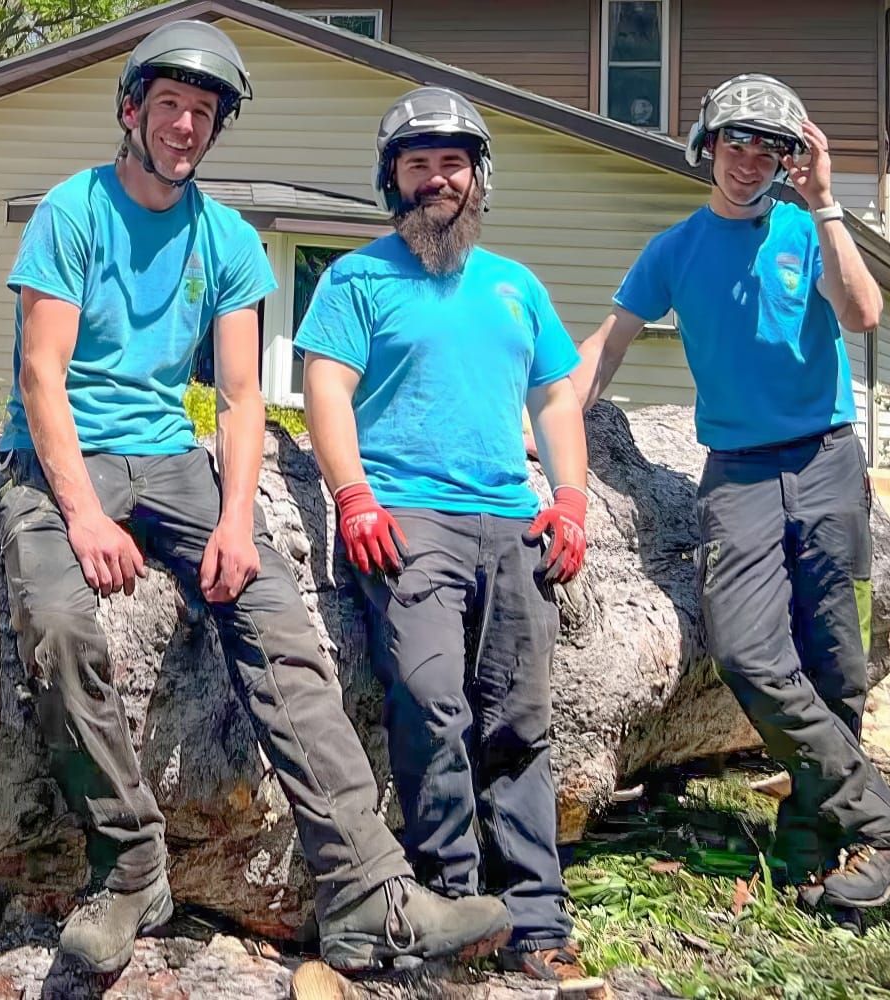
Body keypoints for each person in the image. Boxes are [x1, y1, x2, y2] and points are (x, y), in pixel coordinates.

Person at [0, 23, 510, 975]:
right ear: (132, 110)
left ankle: (368, 895)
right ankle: (127, 864)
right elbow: (41, 376)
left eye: (202, 113)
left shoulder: (227, 239)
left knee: (275, 616)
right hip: (63, 453)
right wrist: (82, 515)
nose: (185, 126)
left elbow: (238, 398)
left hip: (174, 459)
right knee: (62, 624)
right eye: (169, 106)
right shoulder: (73, 212)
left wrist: (235, 521)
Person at [569, 74, 890, 912]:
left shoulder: (807, 232)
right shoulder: (675, 248)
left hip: (826, 460)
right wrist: (553, 420)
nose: (747, 161)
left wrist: (830, 203)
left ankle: (814, 843)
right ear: (708, 146)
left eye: (767, 147)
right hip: (736, 469)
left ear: (787, 159)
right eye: (734, 142)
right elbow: (609, 341)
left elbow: (867, 310)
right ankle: (888, 829)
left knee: (837, 663)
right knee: (745, 650)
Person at [297, 87, 594, 984]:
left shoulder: (516, 285)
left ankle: (538, 915)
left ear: (479, 178)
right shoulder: (357, 280)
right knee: (432, 705)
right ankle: (453, 903)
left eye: (452, 164)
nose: (437, 180)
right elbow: (326, 389)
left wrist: (572, 498)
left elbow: (554, 398)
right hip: (405, 520)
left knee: (520, 721)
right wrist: (352, 496)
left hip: (511, 518)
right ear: (392, 181)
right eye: (417, 165)